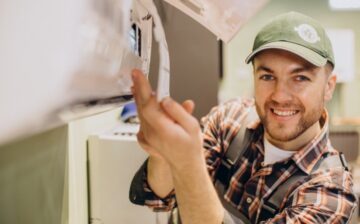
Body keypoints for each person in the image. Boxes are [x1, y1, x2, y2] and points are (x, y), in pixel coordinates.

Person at [129, 12, 357, 223]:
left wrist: (187, 163)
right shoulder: (229, 119)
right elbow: (159, 196)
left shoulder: (331, 191)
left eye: (300, 78)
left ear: (328, 87)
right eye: (267, 76)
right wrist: (164, 154)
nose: (279, 95)